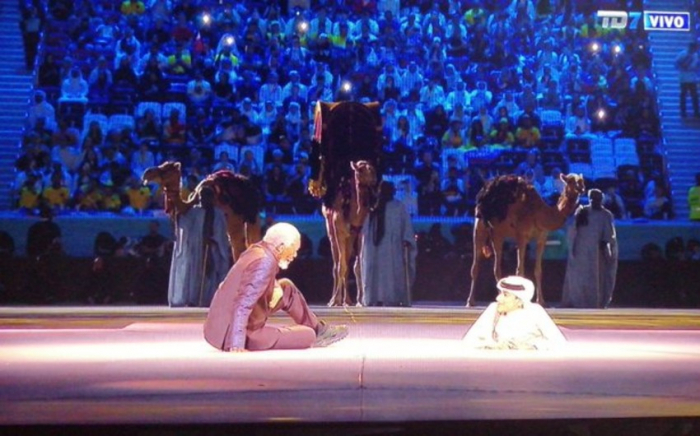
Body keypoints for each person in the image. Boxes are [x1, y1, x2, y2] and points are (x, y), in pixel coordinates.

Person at [204, 223, 348, 352]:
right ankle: (312, 332)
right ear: (281, 247)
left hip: (219, 327)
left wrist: (273, 287)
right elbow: (243, 303)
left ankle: (319, 329)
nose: (295, 255)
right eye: (294, 249)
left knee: (286, 288)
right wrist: (236, 343)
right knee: (307, 335)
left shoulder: (257, 250)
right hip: (232, 334)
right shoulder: (264, 262)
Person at [462, 276, 567, 350]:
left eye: (506, 295)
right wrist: (493, 345)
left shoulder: (535, 311)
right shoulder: (493, 309)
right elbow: (469, 341)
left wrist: (531, 346)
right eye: (500, 293)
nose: (498, 298)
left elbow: (559, 343)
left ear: (519, 300)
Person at [169, 187, 230, 308]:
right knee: (194, 273)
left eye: (207, 197)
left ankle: (210, 298)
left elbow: (222, 233)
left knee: (211, 273)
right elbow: (183, 226)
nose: (203, 200)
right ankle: (194, 298)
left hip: (213, 248)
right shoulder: (194, 212)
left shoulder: (218, 214)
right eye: (201, 197)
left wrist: (214, 241)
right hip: (196, 249)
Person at [360, 181, 416, 307]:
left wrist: (406, 240)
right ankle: (376, 297)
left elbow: (405, 228)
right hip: (379, 249)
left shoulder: (398, 207)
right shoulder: (374, 209)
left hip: (392, 248)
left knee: (390, 272)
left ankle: (389, 298)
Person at [561, 189, 618, 308]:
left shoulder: (606, 214)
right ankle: (578, 301)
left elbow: (609, 235)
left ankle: (595, 302)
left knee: (596, 277)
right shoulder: (583, 211)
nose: (595, 201)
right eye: (593, 199)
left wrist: (607, 249)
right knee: (580, 276)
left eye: (598, 199)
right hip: (581, 249)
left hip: (597, 251)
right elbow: (573, 229)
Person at [674, 42, 699, 118]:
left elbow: (696, 65)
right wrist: (683, 67)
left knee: (694, 96)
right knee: (683, 96)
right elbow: (676, 63)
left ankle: (696, 112)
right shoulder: (682, 54)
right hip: (684, 79)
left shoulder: (696, 55)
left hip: (692, 79)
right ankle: (683, 112)